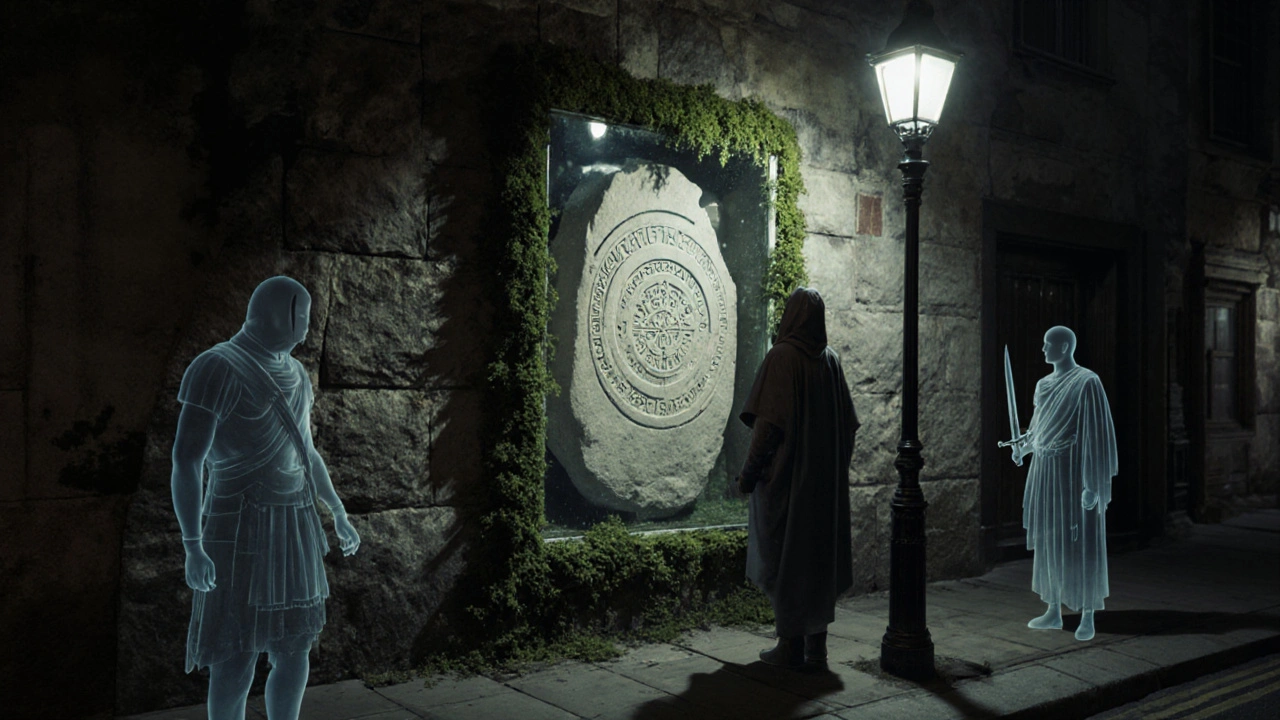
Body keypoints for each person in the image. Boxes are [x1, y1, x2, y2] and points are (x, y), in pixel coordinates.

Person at [171, 275, 360, 720]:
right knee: (235, 655)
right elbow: (186, 461)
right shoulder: (214, 367)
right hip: (236, 523)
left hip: (294, 524)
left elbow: (306, 452)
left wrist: (337, 510)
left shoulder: (296, 375)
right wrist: (192, 545)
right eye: (304, 316)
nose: (308, 326)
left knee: (294, 650)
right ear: (281, 315)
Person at [735, 287, 859, 668]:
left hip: (788, 485)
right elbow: (849, 427)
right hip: (823, 489)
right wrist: (833, 469)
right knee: (818, 563)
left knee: (786, 561)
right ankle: (816, 648)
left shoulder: (782, 358)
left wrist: (749, 475)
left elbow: (767, 428)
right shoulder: (831, 362)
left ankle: (790, 645)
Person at [1008, 325, 1117, 642]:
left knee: (1081, 541)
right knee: (1049, 539)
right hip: (1046, 470)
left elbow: (1095, 434)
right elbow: (1039, 429)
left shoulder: (1087, 382)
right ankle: (1053, 609)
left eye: (1048, 344)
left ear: (1065, 347)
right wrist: (1023, 449)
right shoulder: (1043, 385)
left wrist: (1091, 483)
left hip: (1073, 469)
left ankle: (1087, 614)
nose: (1043, 349)